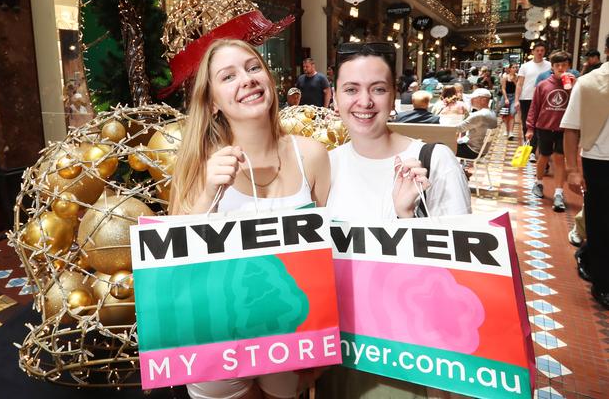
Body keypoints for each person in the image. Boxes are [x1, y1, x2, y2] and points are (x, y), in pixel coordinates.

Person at [169, 39, 330, 399]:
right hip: (216, 339)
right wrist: (209, 193)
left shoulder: (313, 155)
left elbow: (326, 249)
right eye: (228, 76)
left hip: (290, 335)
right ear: (212, 102)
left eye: (254, 68)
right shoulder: (197, 164)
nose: (247, 79)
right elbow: (172, 262)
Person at [318, 41, 470, 399]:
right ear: (334, 97)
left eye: (378, 89)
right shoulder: (325, 165)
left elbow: (459, 276)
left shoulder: (433, 160)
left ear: (395, 96)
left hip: (406, 353)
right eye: (351, 89)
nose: (365, 102)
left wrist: (407, 218)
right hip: (338, 348)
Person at [560, 36, 609, 308]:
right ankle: (603, 283)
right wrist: (571, 169)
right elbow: (571, 128)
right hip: (599, 159)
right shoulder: (590, 83)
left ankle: (589, 254)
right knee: (601, 222)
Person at [526, 50, 574, 212]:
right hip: (544, 126)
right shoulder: (543, 85)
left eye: (564, 65)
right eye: (557, 65)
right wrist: (530, 128)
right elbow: (534, 107)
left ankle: (559, 193)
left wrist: (572, 88)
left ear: (568, 66)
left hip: (564, 128)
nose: (561, 68)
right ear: (552, 67)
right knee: (543, 157)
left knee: (560, 159)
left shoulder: (573, 84)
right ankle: (538, 183)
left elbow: (577, 105)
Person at [515, 41, 551, 157]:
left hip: (544, 99)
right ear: (533, 52)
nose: (540, 53)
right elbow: (519, 84)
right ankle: (530, 150)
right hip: (527, 97)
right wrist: (516, 99)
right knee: (527, 124)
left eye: (542, 51)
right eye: (537, 51)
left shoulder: (549, 65)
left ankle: (540, 149)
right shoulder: (525, 66)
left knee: (541, 124)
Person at [454, 88, 498, 159]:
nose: (471, 100)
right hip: (482, 150)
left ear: (483, 100)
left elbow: (457, 129)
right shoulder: (492, 113)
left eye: (474, 98)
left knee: (442, 146)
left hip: (473, 151)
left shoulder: (480, 115)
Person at [500, 63, 518, 140]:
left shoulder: (517, 77)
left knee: (512, 113)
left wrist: (514, 81)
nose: (515, 69)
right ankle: (506, 129)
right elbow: (503, 88)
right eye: (513, 67)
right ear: (510, 69)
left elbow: (519, 87)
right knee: (505, 114)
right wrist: (506, 98)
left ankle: (511, 132)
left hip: (514, 96)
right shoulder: (505, 77)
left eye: (516, 67)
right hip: (505, 96)